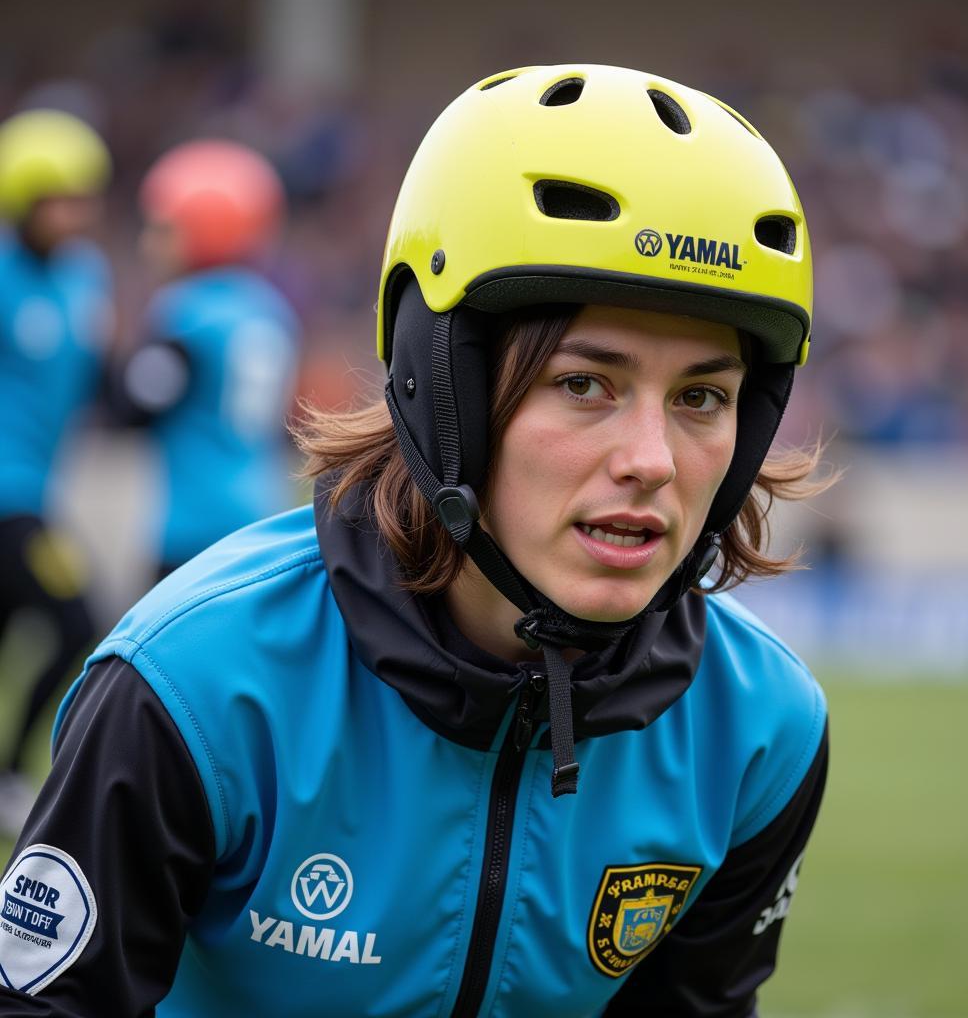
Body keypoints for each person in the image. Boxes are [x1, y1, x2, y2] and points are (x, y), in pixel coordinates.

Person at [0, 64, 830, 1015]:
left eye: (702, 397)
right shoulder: (190, 690)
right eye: (584, 383)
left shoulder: (763, 729)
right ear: (442, 388)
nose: (652, 460)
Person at [106, 138, 300, 581]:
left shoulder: (188, 311)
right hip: (257, 515)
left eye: (162, 228)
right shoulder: (268, 307)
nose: (147, 243)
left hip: (193, 528)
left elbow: (131, 407)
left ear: (203, 229)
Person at [0, 109, 112, 839]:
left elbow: (96, 380)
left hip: (42, 486)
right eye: (56, 200)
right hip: (8, 496)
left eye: (82, 198)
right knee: (79, 621)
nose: (72, 214)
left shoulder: (86, 277)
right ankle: (11, 773)